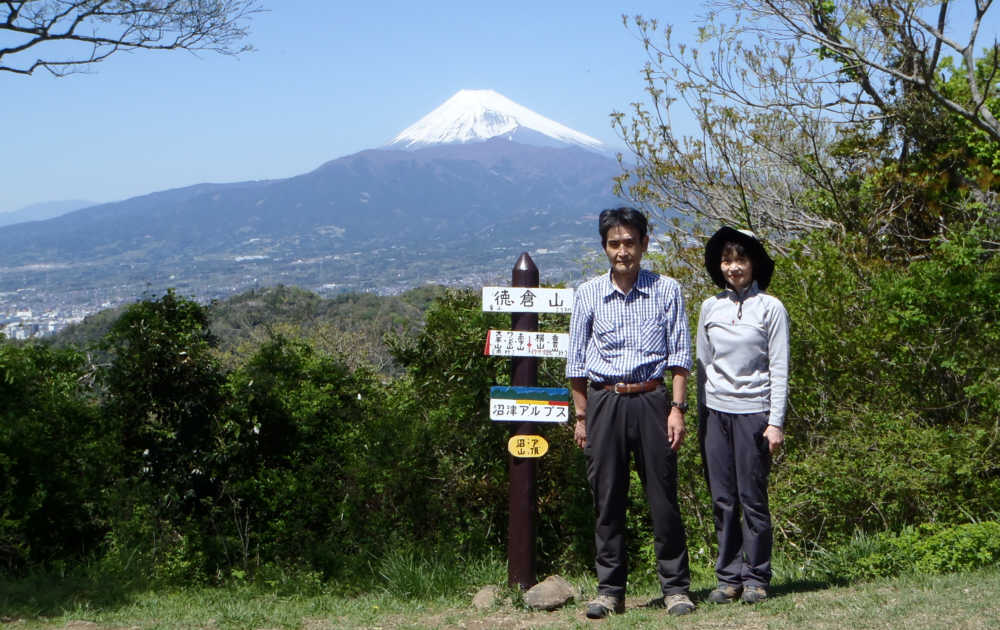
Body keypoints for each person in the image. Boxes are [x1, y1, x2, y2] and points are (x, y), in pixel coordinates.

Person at [566, 207, 695, 618]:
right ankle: (609, 590)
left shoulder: (666, 289)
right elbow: (576, 364)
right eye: (614, 243)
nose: (622, 251)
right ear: (604, 247)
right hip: (605, 400)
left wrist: (677, 409)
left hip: (653, 399)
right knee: (607, 497)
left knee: (662, 495)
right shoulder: (588, 293)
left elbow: (680, 356)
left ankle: (675, 588)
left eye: (629, 242)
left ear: (644, 243)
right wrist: (582, 417)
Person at [696, 226, 789, 604]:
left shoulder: (771, 308)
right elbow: (702, 364)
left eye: (740, 259)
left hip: (755, 413)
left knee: (752, 498)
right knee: (723, 499)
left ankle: (756, 577)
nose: (733, 267)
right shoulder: (710, 307)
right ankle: (728, 578)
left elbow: (780, 367)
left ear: (754, 264)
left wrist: (776, 422)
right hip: (715, 413)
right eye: (726, 260)